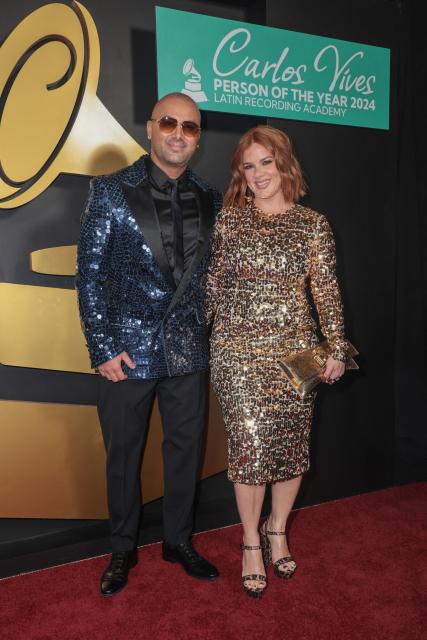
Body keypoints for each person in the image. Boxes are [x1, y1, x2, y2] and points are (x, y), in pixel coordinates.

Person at [76, 92, 222, 596]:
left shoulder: (211, 196)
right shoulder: (112, 190)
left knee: (186, 450)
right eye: (169, 122)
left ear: (198, 137)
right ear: (150, 128)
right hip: (126, 349)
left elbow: (213, 278)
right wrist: (101, 347)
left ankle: (178, 540)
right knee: (124, 455)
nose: (179, 133)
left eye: (190, 127)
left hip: (187, 349)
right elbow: (89, 275)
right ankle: (122, 548)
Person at [205, 125, 348, 598]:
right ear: (240, 175)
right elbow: (213, 287)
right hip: (237, 353)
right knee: (248, 450)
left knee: (291, 450)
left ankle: (277, 530)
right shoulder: (229, 220)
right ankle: (250, 540)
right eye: (249, 165)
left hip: (297, 355)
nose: (258, 173)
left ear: (284, 163)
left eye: (266, 161)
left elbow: (325, 292)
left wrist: (336, 348)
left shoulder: (313, 224)